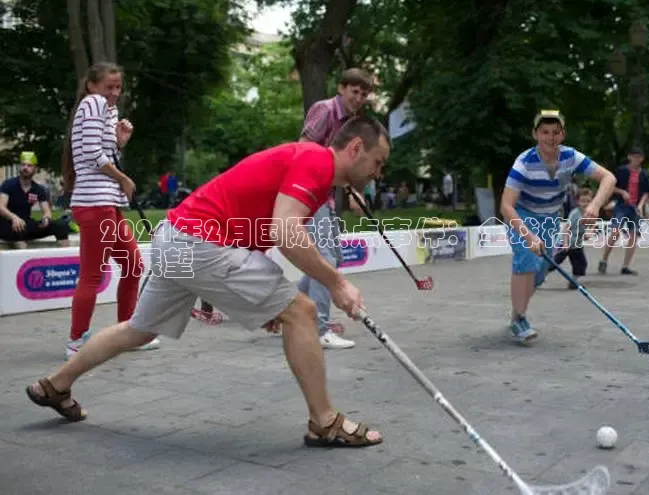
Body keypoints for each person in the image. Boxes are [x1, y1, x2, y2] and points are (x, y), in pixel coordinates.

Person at [24, 115, 389, 448]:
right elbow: (286, 230)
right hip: (201, 243)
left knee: (140, 329)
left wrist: (254, 299)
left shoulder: (310, 165)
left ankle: (56, 385)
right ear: (355, 148)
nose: (378, 173)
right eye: (378, 162)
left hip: (177, 237)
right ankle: (325, 421)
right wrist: (338, 284)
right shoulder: (317, 161)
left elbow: (261, 228)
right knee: (303, 311)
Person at [62, 62, 160, 359]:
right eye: (109, 87)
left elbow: (104, 153)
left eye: (118, 87)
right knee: (93, 275)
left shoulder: (107, 110)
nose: (115, 93)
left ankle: (127, 333)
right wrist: (123, 179)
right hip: (95, 204)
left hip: (107, 204)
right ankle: (76, 340)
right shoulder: (92, 103)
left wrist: (119, 142)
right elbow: (92, 155)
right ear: (92, 85)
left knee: (133, 267)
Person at [501, 110, 616, 345]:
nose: (550, 137)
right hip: (523, 216)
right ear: (535, 134)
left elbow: (608, 178)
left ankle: (516, 315)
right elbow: (505, 205)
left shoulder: (570, 157)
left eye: (555, 132)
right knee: (526, 258)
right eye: (544, 132)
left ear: (562, 135)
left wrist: (594, 206)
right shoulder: (524, 163)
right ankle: (520, 318)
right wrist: (528, 235)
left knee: (541, 270)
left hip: (551, 218)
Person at [294, 67, 374, 350]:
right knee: (325, 258)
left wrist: (353, 191)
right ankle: (319, 329)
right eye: (355, 92)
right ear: (341, 88)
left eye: (364, 94)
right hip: (308, 193)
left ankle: (285, 308)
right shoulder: (324, 110)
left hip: (325, 195)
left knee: (333, 257)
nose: (359, 98)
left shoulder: (352, 121)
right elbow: (304, 148)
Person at [0, 152, 72, 248]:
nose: (25, 168)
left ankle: (66, 258)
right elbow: (1, 207)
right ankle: (24, 257)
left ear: (35, 169)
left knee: (61, 226)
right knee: (19, 229)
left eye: (29, 165)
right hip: (8, 224)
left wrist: (46, 218)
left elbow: (47, 212)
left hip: (26, 223)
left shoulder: (38, 189)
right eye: (23, 165)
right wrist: (14, 218)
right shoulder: (8, 184)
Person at [599, 146, 649, 276]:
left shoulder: (644, 174)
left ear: (642, 159)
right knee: (615, 232)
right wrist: (622, 192)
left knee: (633, 236)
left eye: (639, 157)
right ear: (629, 157)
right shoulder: (621, 171)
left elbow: (646, 192)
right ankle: (604, 260)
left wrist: (640, 205)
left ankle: (625, 266)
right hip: (621, 206)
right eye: (634, 156)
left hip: (635, 208)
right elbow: (610, 186)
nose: (636, 159)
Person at [549, 187, 595, 289]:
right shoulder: (575, 213)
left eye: (588, 201)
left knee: (581, 264)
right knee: (553, 263)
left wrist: (588, 234)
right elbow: (566, 229)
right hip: (564, 242)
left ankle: (573, 282)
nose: (586, 204)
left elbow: (591, 227)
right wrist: (565, 243)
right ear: (578, 201)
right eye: (583, 201)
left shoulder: (591, 214)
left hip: (576, 244)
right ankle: (536, 278)